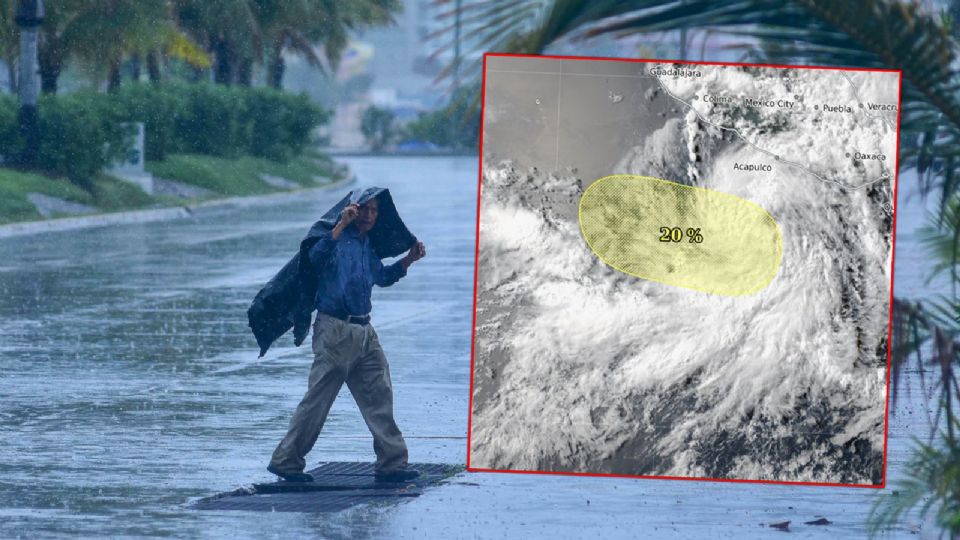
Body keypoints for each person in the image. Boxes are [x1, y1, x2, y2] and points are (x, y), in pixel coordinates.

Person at [266, 194, 426, 483]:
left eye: (374, 211)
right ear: (352, 210)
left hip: (365, 331)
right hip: (335, 331)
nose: (368, 216)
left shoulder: (368, 245)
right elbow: (313, 260)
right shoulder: (334, 239)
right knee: (318, 400)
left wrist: (408, 260)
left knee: (379, 394)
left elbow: (382, 277)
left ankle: (392, 463)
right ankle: (286, 462)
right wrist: (340, 226)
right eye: (363, 209)